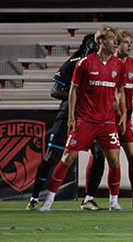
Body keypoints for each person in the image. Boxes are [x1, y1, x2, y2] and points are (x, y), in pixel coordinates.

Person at [39, 26, 127, 211]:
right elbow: (73, 90)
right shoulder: (85, 63)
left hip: (107, 122)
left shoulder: (119, 65)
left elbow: (119, 91)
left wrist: (124, 113)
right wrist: (71, 116)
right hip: (85, 120)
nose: (115, 43)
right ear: (101, 41)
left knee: (114, 160)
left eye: (116, 40)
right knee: (67, 157)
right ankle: (48, 201)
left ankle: (114, 202)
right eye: (112, 39)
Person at [25, 33, 97, 209]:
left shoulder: (101, 66)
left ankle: (89, 199)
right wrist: (79, 98)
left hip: (92, 116)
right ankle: (34, 199)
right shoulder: (73, 64)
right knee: (52, 155)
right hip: (68, 114)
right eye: (97, 42)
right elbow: (55, 90)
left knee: (100, 153)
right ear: (90, 45)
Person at [82, 29, 133, 209]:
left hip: (125, 121)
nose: (129, 46)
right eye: (126, 42)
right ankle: (97, 198)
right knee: (102, 158)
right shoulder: (109, 64)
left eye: (131, 43)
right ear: (116, 44)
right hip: (106, 120)